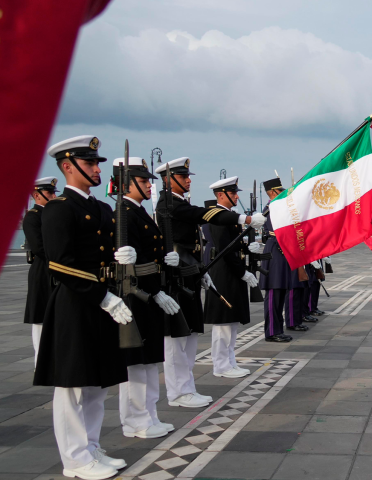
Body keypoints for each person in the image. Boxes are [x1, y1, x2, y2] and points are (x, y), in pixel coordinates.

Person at [36, 136, 133, 479]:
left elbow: (103, 253)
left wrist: (123, 258)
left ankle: (90, 447)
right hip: (77, 304)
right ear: (67, 166)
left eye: (96, 163)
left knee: (97, 382)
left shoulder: (103, 208)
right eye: (89, 164)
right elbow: (60, 264)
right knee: (73, 387)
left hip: (101, 304)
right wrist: (102, 296)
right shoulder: (59, 208)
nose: (96, 169)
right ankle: (74, 459)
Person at [155, 158, 265, 407]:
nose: (189, 180)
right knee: (177, 341)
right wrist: (244, 221)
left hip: (188, 271)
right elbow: (204, 215)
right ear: (168, 179)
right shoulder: (168, 203)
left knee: (190, 335)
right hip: (175, 274)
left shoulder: (179, 202)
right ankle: (178, 392)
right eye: (183, 177)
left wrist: (198, 269)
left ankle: (187, 388)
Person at [111, 157, 180, 440]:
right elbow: (131, 264)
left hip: (149, 296)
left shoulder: (139, 212)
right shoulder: (123, 213)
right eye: (142, 181)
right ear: (126, 185)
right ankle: (134, 420)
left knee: (150, 361)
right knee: (136, 364)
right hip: (134, 297)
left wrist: (167, 259)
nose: (149, 186)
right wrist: (156, 289)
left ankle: (149, 414)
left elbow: (151, 257)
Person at [204, 177, 255, 379]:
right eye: (233, 193)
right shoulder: (218, 217)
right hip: (224, 273)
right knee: (224, 323)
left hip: (231, 272)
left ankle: (229, 361)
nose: (236, 196)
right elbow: (224, 249)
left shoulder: (229, 216)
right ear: (220, 195)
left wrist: (247, 247)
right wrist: (242, 272)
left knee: (231, 322)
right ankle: (221, 365)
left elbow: (233, 244)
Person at [22, 176, 58, 367]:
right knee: (40, 320)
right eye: (49, 192)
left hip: (53, 269)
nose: (53, 196)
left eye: (53, 192)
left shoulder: (51, 214)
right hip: (43, 271)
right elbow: (39, 246)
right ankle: (40, 363)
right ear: (37, 195)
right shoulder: (33, 217)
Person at [255, 178, 293, 343]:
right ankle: (272, 331)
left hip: (282, 251)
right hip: (275, 251)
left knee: (281, 292)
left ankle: (278, 328)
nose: (283, 194)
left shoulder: (279, 208)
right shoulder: (271, 209)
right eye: (280, 191)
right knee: (273, 294)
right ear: (272, 192)